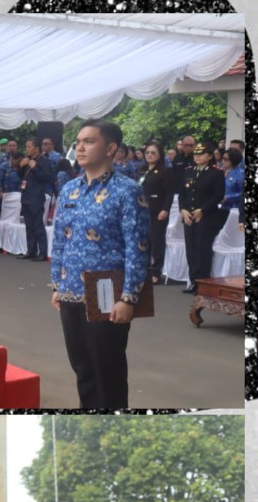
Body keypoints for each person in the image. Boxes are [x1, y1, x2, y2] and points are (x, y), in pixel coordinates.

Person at [50, 119, 150, 410]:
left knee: (108, 372)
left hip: (107, 294)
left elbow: (138, 247)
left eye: (89, 141)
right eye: (78, 141)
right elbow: (60, 241)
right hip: (70, 293)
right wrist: (57, 285)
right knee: (83, 370)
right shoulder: (70, 189)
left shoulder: (127, 191)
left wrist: (129, 298)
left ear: (111, 149)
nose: (80, 147)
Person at [180, 141, 226, 294]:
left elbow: (218, 195)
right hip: (188, 216)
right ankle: (193, 282)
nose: (197, 157)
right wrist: (183, 210)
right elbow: (182, 194)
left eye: (201, 154)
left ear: (209, 156)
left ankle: (203, 283)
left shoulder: (216, 173)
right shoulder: (188, 171)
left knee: (202, 250)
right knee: (191, 250)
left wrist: (203, 210)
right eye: (196, 154)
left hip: (206, 217)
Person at [140, 141, 175, 284]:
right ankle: (144, 269)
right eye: (147, 152)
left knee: (157, 242)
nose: (149, 155)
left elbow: (169, 192)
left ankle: (156, 272)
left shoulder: (165, 171)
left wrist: (165, 209)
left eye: (153, 152)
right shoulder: (142, 170)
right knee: (143, 242)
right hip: (142, 210)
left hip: (157, 210)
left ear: (160, 155)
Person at [15, 136, 53, 262]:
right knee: (29, 226)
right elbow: (22, 177)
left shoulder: (44, 161)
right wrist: (21, 166)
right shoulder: (28, 159)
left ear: (36, 148)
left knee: (37, 225)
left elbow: (45, 177)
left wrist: (34, 167)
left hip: (36, 197)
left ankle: (42, 252)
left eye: (29, 147)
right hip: (26, 196)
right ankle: (31, 250)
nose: (26, 149)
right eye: (26, 146)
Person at [220, 148, 244, 214]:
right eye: (223, 158)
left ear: (233, 160)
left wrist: (227, 198)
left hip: (233, 209)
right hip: (218, 207)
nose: (223, 161)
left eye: (226, 159)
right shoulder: (220, 171)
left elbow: (242, 194)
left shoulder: (241, 174)